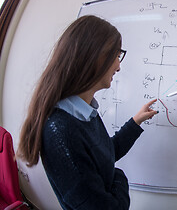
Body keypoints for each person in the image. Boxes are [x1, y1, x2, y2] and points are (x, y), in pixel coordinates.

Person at [16, 15, 158, 210]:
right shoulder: (61, 130)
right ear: (95, 56)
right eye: (117, 55)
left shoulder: (84, 111)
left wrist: (136, 121)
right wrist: (120, 176)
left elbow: (107, 153)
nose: (119, 66)